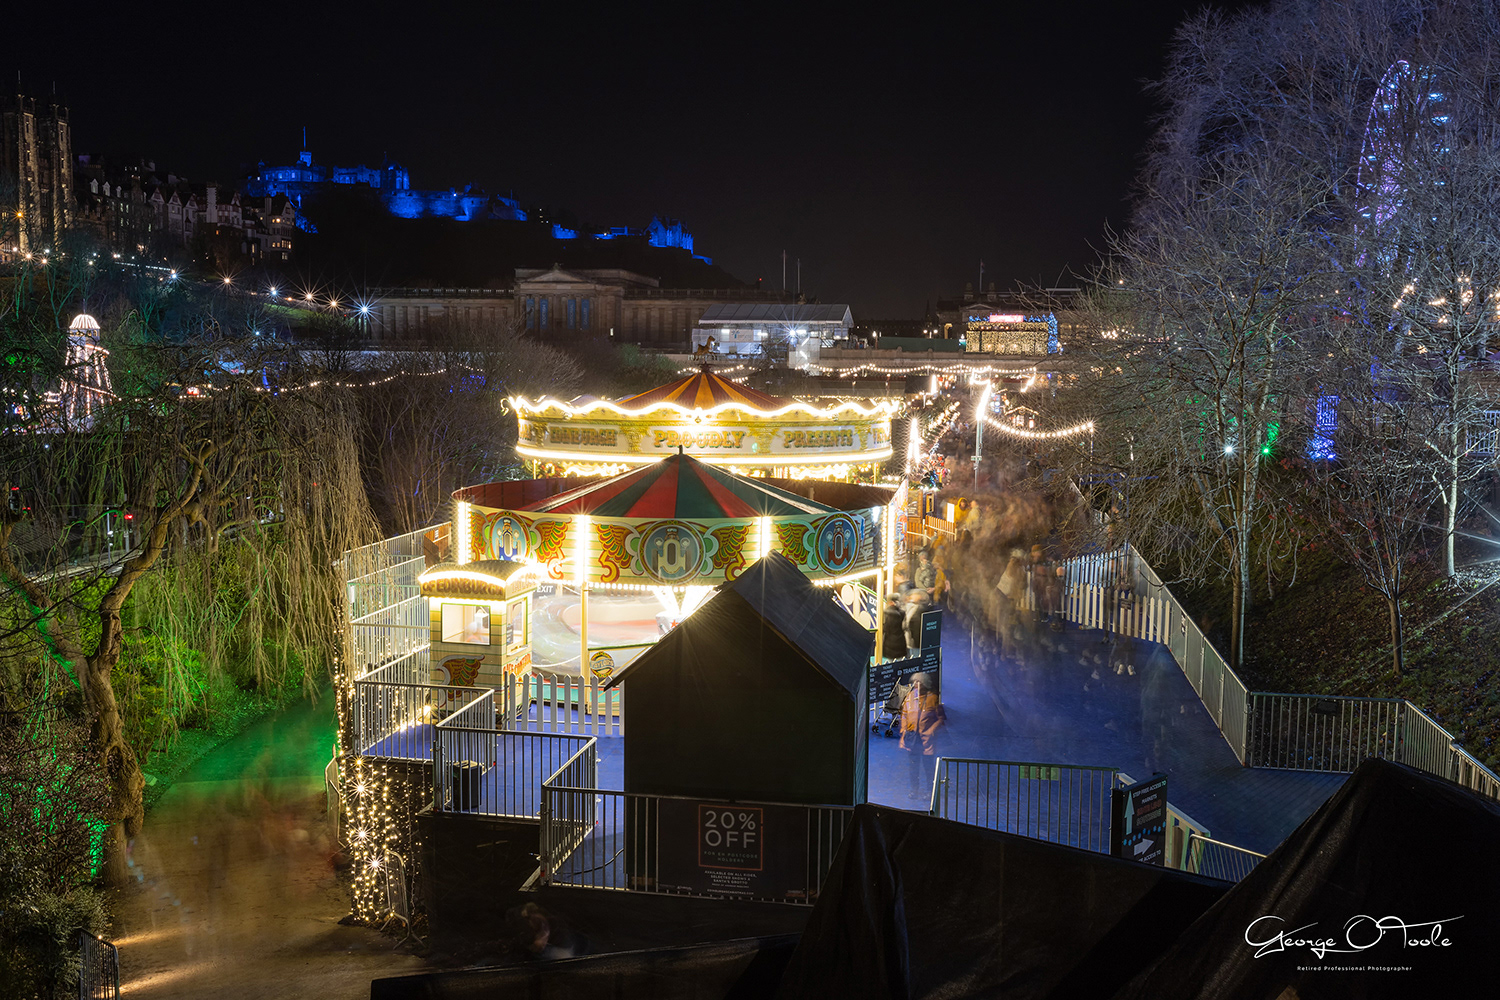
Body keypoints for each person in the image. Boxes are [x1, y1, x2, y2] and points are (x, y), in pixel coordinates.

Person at [899, 671, 944, 754]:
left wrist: (931, 731)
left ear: (925, 683)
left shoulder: (933, 698)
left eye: (919, 681)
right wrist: (904, 730)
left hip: (926, 739)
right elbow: (904, 715)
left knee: (927, 764)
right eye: (914, 682)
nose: (916, 684)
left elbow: (941, 718)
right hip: (911, 738)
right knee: (913, 764)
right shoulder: (910, 696)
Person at [903, 589, 932, 657]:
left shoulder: (921, 609)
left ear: (920, 597)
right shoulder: (912, 607)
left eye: (913, 596)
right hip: (910, 641)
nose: (910, 597)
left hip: (916, 643)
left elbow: (915, 626)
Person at [881, 596, 908, 661]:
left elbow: (885, 628)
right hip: (901, 641)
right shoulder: (902, 613)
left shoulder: (886, 613)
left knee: (890, 663)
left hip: (889, 642)